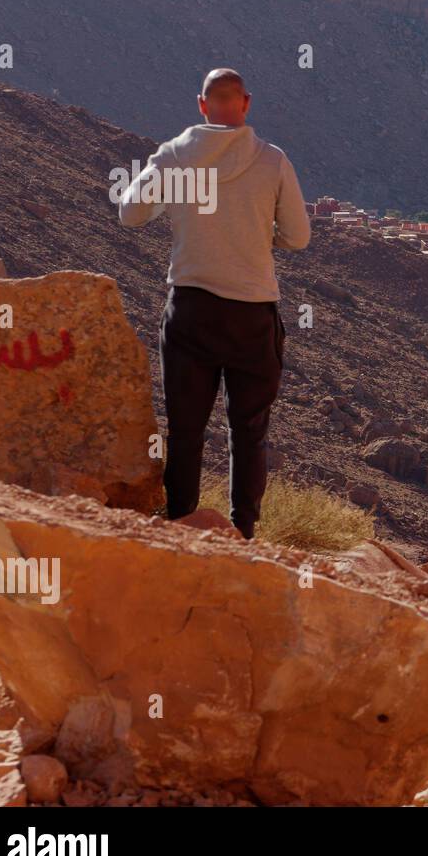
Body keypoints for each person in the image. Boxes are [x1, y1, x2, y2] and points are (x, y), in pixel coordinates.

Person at [119, 68, 310, 537]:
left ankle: (181, 524)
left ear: (202, 105)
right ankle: (243, 533)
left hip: (191, 311)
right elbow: (298, 237)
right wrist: (259, 234)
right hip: (252, 314)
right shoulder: (272, 160)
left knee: (185, 430)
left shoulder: (174, 156)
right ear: (245, 103)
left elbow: (130, 214)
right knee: (248, 432)